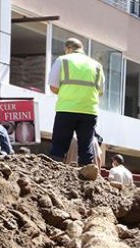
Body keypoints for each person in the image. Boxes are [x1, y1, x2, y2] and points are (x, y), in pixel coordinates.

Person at [48, 38, 104, 166]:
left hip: (66, 109)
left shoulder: (62, 60)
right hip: (89, 111)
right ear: (81, 49)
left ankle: (54, 172)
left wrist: (67, 93)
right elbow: (100, 91)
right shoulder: (97, 65)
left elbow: (53, 86)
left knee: (59, 147)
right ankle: (87, 176)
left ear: (68, 48)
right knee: (86, 148)